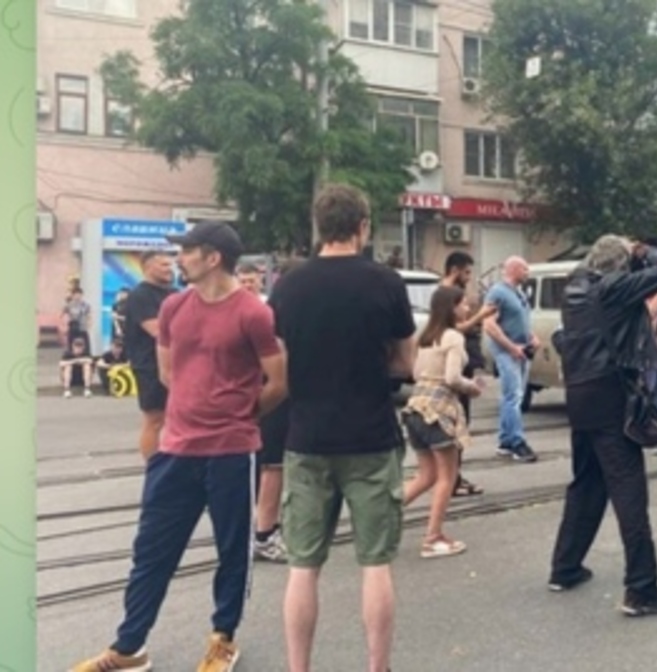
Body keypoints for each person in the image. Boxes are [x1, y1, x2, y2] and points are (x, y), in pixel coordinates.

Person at [70, 221, 287, 672]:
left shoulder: (253, 313)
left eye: (186, 252)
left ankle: (223, 640)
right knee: (151, 551)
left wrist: (240, 416)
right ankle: (129, 647)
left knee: (232, 552)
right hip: (175, 448)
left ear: (212, 258)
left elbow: (279, 382)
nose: (177, 259)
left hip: (231, 450)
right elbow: (170, 374)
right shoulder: (173, 308)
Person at [270, 184, 416, 672]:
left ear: (319, 227)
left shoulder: (288, 285)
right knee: (375, 563)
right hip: (372, 437)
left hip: (307, 438)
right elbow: (404, 359)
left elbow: (281, 366)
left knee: (303, 567)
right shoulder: (386, 283)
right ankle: (377, 667)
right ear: (363, 226)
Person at [548, 235, 657, 617]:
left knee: (587, 483)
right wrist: (642, 250)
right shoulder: (612, 289)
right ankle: (642, 589)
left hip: (579, 395)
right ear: (621, 267)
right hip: (610, 397)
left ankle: (565, 566)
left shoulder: (575, 288)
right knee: (629, 492)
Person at [401, 285, 486, 558]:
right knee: (446, 477)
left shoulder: (425, 337)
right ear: (451, 307)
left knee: (426, 474)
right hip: (438, 411)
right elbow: (451, 378)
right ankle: (433, 537)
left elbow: (415, 374)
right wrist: (471, 386)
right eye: (462, 304)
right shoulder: (453, 337)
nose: (467, 309)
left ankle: (381, 516)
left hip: (415, 408)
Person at [250, 259, 301, 563]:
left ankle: (269, 528)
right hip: (274, 396)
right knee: (273, 467)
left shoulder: (271, 313)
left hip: (271, 394)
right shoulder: (273, 317)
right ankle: (264, 534)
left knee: (274, 467)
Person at [441, 251, 497, 497]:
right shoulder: (445, 294)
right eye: (466, 272)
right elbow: (455, 328)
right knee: (457, 424)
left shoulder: (445, 292)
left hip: (460, 361)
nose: (469, 277)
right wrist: (480, 316)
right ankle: (451, 479)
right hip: (455, 367)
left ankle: (453, 476)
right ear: (454, 270)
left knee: (459, 423)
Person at [483, 255, 540, 463]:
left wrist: (531, 337)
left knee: (515, 395)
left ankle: (506, 440)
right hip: (508, 352)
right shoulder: (498, 292)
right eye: (525, 269)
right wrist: (511, 346)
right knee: (513, 397)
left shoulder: (519, 293)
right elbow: (489, 324)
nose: (528, 273)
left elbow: (520, 319)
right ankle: (517, 442)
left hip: (522, 351)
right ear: (513, 269)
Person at [124, 251, 178, 461]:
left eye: (170, 264)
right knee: (154, 418)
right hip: (149, 364)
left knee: (175, 417)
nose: (169, 269)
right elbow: (157, 330)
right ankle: (153, 465)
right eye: (164, 264)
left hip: (175, 363)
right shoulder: (140, 295)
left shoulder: (174, 293)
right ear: (148, 267)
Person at [63, 287, 93, 353]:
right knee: (71, 345)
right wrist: (65, 326)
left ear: (82, 295)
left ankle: (86, 357)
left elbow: (89, 315)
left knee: (85, 346)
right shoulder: (68, 305)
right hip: (72, 327)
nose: (77, 296)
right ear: (73, 295)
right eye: (76, 294)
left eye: (79, 294)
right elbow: (65, 315)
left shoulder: (86, 305)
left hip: (83, 327)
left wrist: (89, 324)